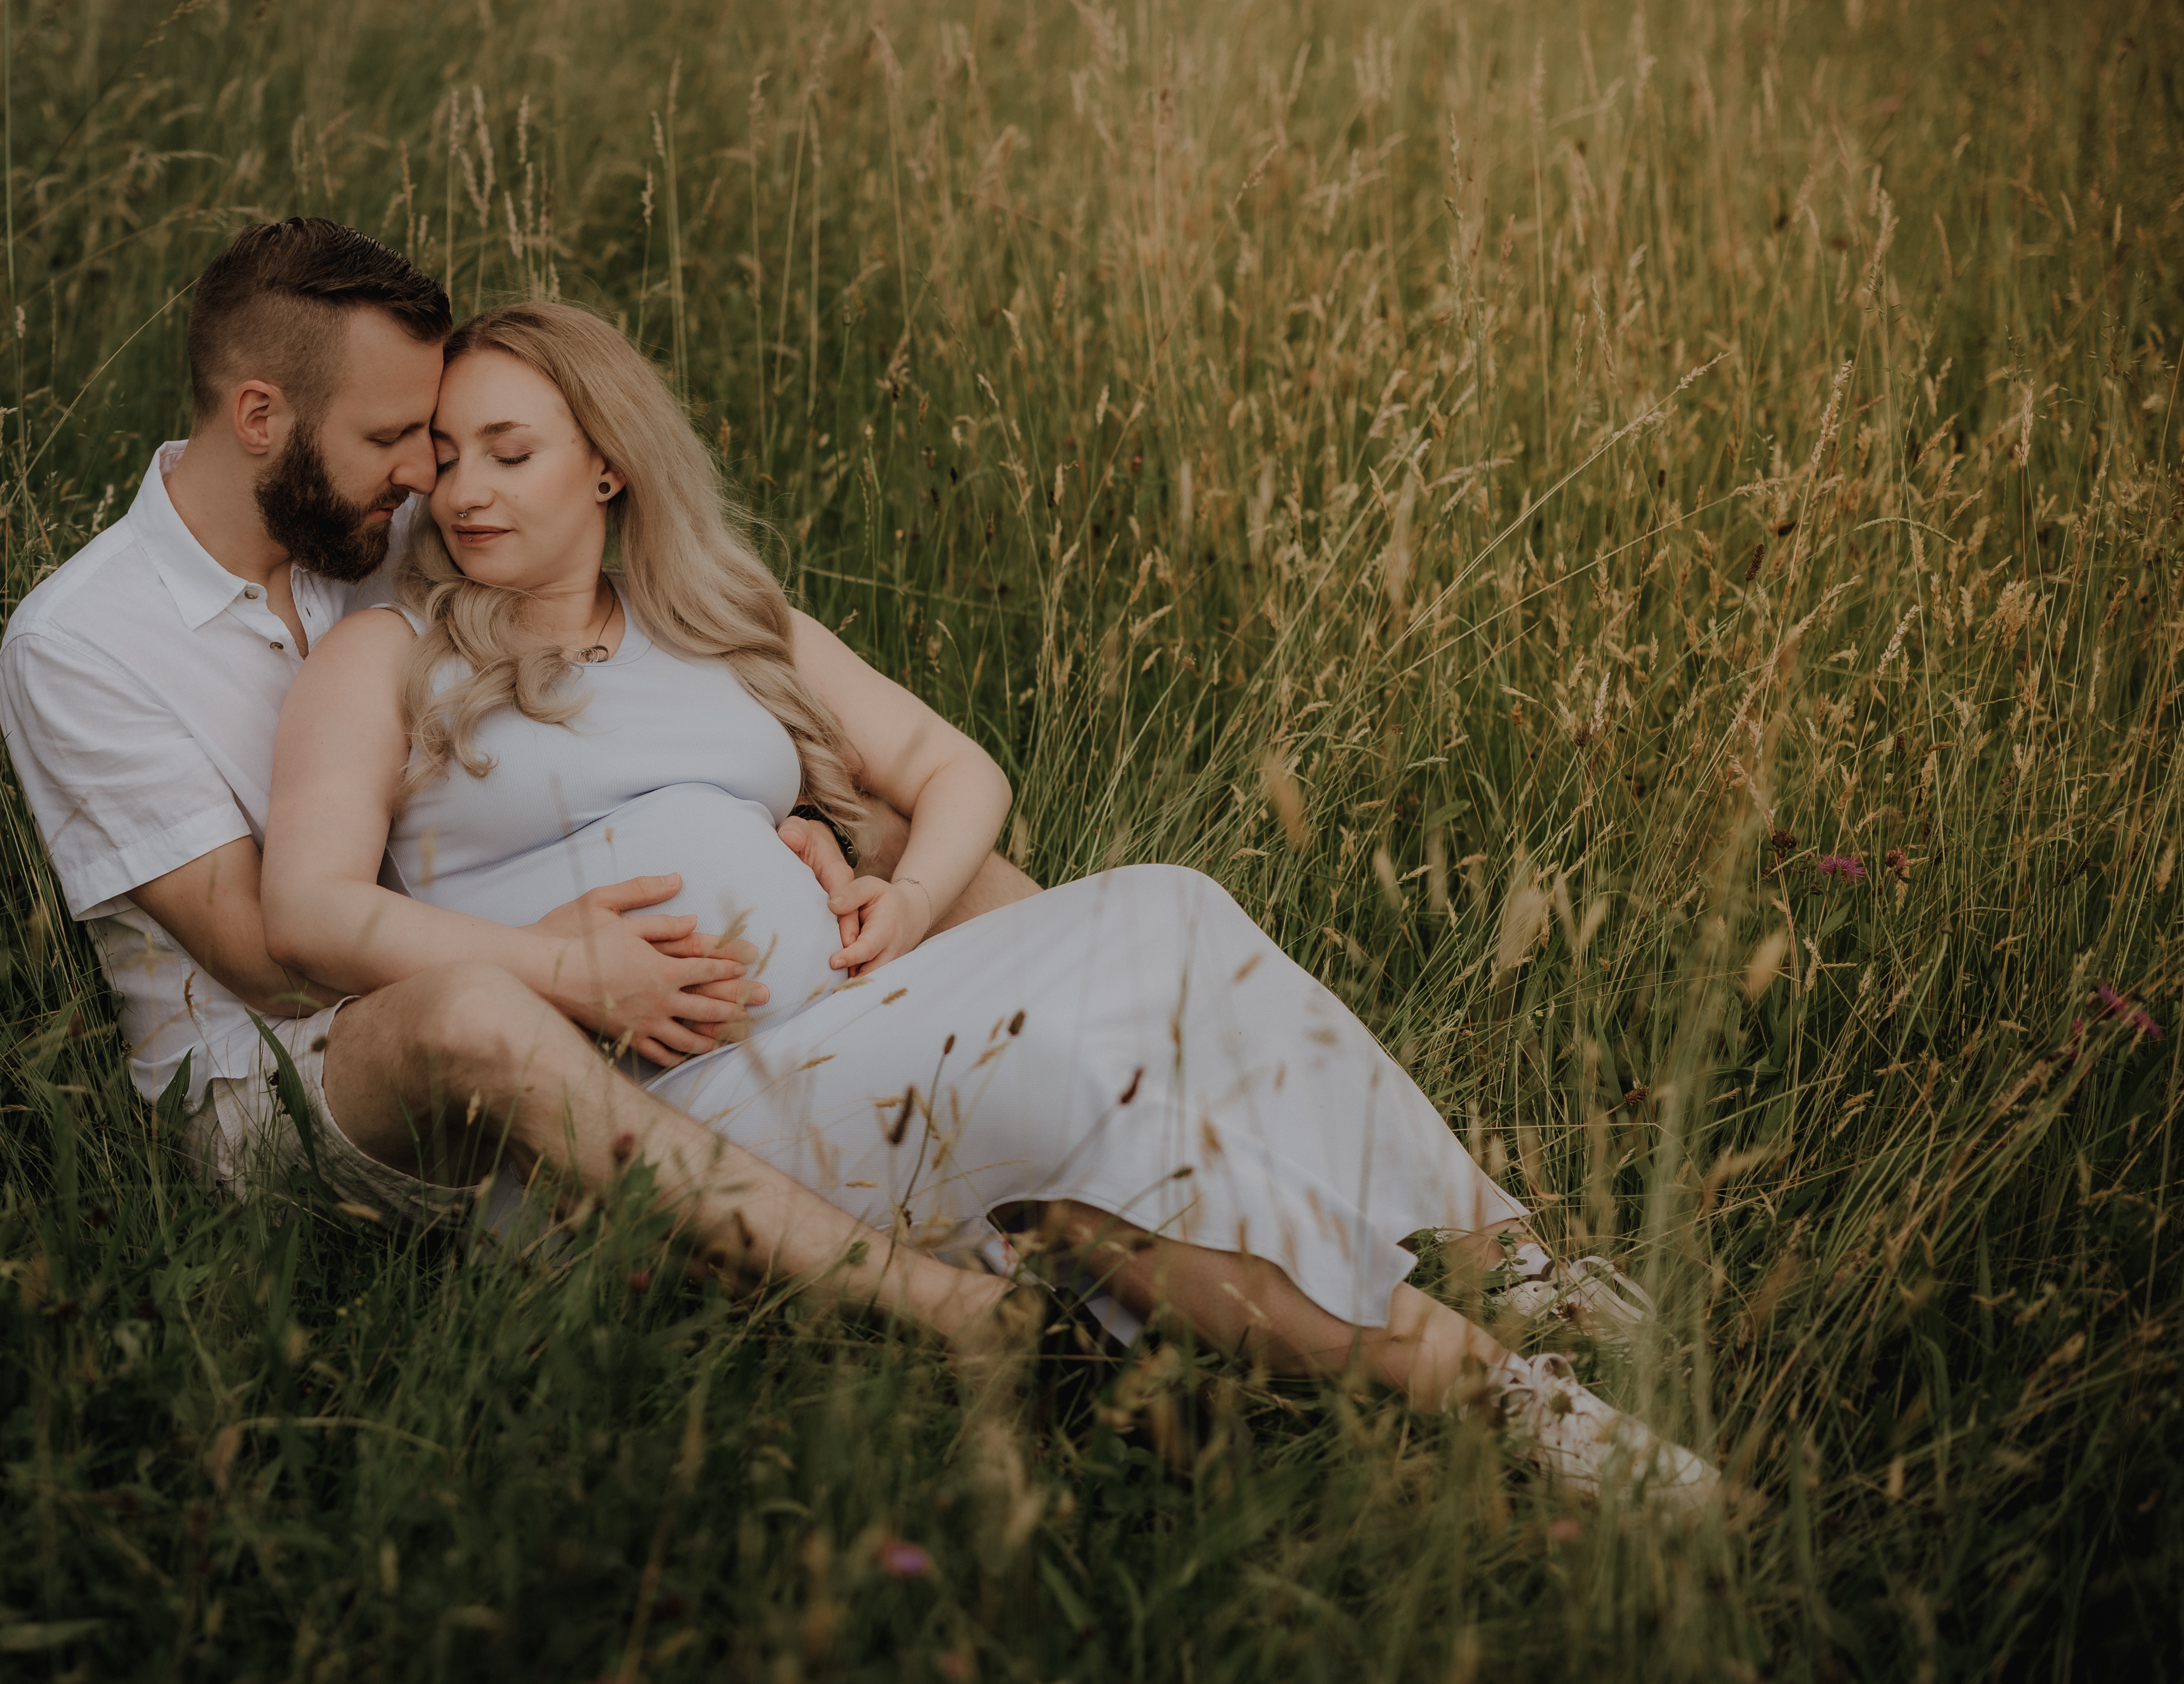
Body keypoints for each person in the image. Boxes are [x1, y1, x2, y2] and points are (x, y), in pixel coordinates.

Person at [257, 300, 1721, 1511]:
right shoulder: (388, 657)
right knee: (1085, 1080)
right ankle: (1505, 1397)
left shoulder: (716, 626)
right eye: (446, 457)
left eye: (509, 452)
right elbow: (311, 912)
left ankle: (1504, 1263)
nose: (461, 491)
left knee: (1172, 903)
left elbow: (960, 771)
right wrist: (561, 968)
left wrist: (903, 896)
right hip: (657, 1102)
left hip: (846, 1031)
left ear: (610, 467)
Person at [0, 219, 1042, 1361]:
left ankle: (1110, 1123)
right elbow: (267, 953)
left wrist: (777, 825)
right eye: (396, 438)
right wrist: (558, 965)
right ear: (261, 418)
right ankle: (934, 1310)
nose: (424, 482)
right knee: (473, 1014)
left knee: (898, 833)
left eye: (432, 447)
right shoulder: (81, 643)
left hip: (516, 954)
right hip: (289, 1072)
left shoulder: (378, 535)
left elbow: (577, 717)